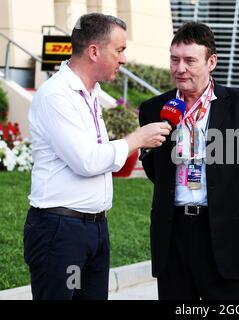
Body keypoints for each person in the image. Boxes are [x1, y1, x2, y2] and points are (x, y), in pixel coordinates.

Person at [25, 13, 171, 300]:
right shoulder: (58, 96)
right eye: (119, 50)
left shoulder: (91, 94)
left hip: (93, 229)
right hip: (61, 233)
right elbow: (87, 161)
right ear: (94, 51)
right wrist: (136, 139)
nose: (124, 59)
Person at [139, 21, 239, 300]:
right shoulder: (154, 109)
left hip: (222, 234)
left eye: (189, 60)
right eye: (174, 60)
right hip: (172, 233)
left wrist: (238, 217)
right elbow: (155, 169)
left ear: (211, 61)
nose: (180, 68)